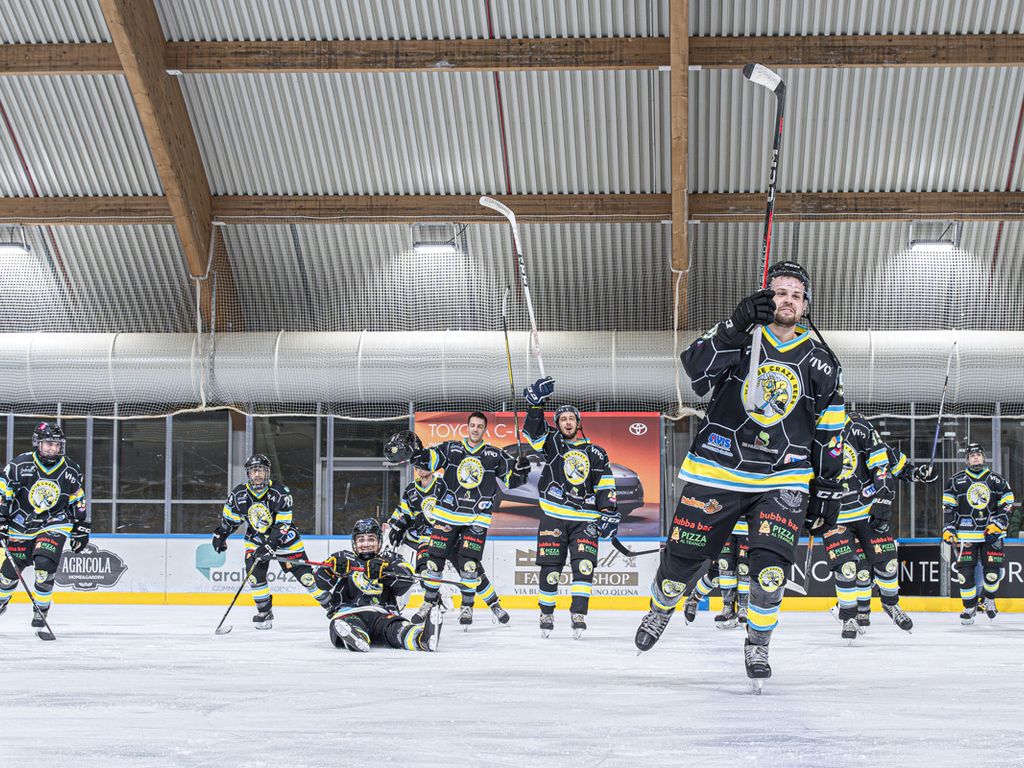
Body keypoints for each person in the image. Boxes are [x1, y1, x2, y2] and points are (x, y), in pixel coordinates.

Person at [633, 261, 848, 688]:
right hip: (719, 470)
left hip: (783, 479)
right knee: (680, 566)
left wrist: (827, 487)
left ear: (805, 306)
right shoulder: (741, 336)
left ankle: (758, 643)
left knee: (769, 573)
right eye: (780, 292)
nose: (788, 300)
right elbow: (694, 367)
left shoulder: (822, 362)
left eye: (796, 295)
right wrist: (735, 323)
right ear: (767, 296)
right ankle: (660, 608)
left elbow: (830, 430)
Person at [522, 379, 618, 639]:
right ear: (558, 423)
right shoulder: (552, 443)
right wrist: (535, 405)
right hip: (553, 516)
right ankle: (546, 613)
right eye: (562, 419)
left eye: (571, 418)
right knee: (550, 569)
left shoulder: (596, 452)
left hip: (585, 520)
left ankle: (578, 615)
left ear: (578, 423)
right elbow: (533, 432)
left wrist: (609, 512)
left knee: (584, 567)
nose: (567, 422)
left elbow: (605, 485)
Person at [415, 414, 529, 627]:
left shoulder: (495, 455)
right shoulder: (451, 448)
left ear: (484, 429)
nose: (475, 429)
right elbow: (427, 460)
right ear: (467, 427)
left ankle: (467, 606)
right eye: (473, 425)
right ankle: (428, 603)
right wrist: (416, 452)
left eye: (480, 426)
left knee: (469, 565)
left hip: (477, 518)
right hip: (447, 516)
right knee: (433, 562)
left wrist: (522, 472)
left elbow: (512, 480)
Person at [383, 454, 509, 626]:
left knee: (473, 572)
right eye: (418, 466)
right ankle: (433, 601)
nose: (421, 469)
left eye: (424, 465)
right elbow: (403, 512)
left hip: (451, 536)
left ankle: (495, 605)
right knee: (426, 570)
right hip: (427, 538)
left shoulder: (444, 483)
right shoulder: (411, 490)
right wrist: (395, 524)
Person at [211, 453, 332, 629]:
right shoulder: (238, 494)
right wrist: (221, 535)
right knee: (255, 576)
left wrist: (271, 545)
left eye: (261, 470)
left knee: (307, 579)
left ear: (267, 472)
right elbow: (230, 520)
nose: (257, 474)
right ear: (248, 474)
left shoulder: (281, 492)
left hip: (287, 542)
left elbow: (283, 524)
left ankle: (333, 607)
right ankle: (264, 612)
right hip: (256, 540)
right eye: (254, 471)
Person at [840, 436, 938, 630]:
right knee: (855, 567)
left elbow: (902, 468)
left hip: (871, 513)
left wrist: (919, 473)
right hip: (841, 516)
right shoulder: (826, 439)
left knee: (887, 562)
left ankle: (890, 604)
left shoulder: (871, 441)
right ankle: (855, 614)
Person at [0, 422, 88, 631]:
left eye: (57, 445)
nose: (53, 449)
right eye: (48, 444)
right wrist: (1, 519)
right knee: (8, 574)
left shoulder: (70, 469)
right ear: (37, 443)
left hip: (55, 522)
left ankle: (41, 608)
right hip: (21, 525)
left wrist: (80, 526)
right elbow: (4, 492)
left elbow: (77, 498)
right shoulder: (19, 465)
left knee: (44, 564)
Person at [315, 518, 443, 652]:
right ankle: (356, 634)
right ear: (354, 543)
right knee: (344, 624)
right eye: (361, 540)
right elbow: (321, 582)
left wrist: (386, 570)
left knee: (397, 628)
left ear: (379, 541)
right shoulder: (342, 559)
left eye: (371, 539)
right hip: (349, 613)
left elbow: (408, 577)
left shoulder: (390, 559)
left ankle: (421, 639)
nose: (366, 544)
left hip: (383, 615)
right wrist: (330, 569)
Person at [942, 443, 1015, 624]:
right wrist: (948, 528)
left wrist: (998, 524)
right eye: (972, 455)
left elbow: (1007, 503)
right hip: (965, 536)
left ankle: (989, 599)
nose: (975, 457)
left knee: (992, 574)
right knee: (965, 575)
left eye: (978, 454)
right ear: (967, 460)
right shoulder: (955, 481)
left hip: (992, 534)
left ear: (984, 457)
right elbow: (948, 507)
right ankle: (969, 607)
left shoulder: (997, 480)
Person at [682, 518, 750, 629]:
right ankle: (695, 599)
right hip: (725, 528)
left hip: (748, 528)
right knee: (721, 571)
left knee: (744, 570)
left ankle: (743, 607)